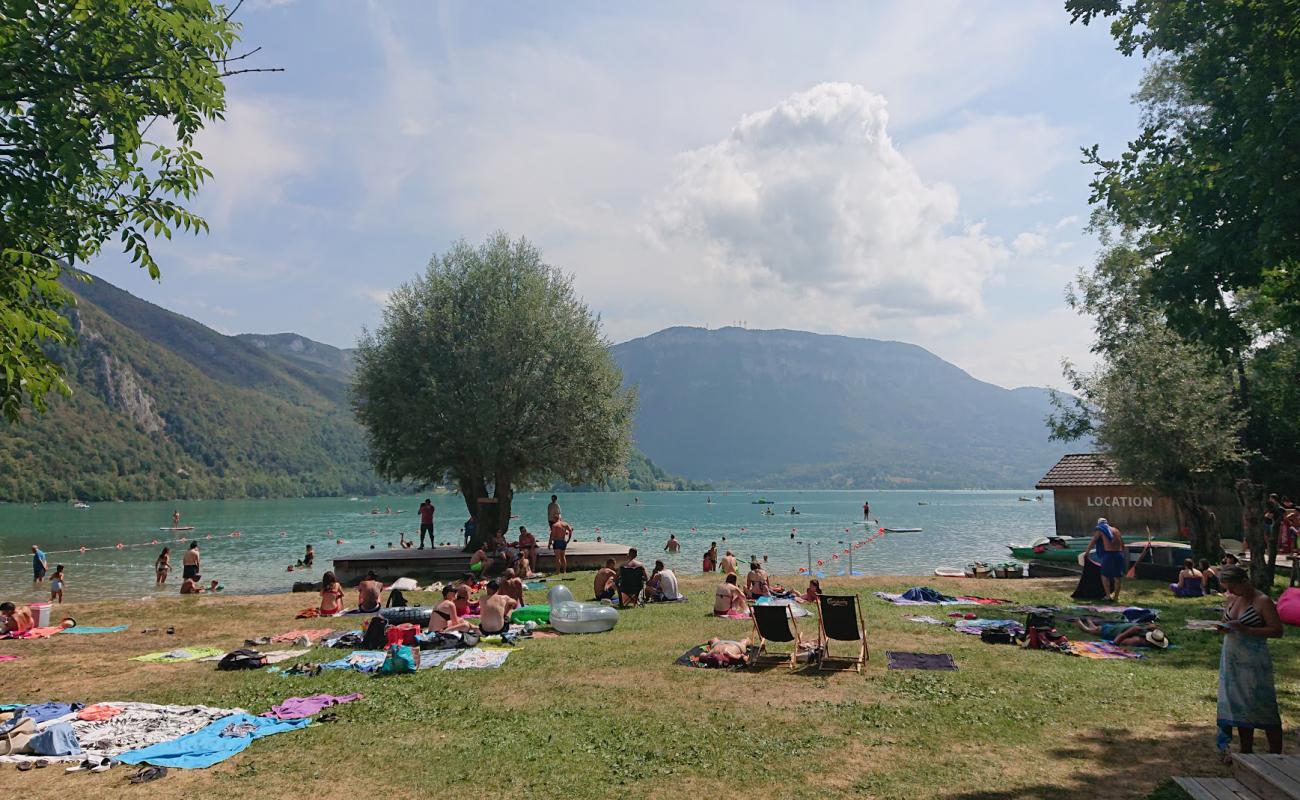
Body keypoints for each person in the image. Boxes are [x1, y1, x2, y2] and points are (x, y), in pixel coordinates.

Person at [1215, 564, 1285, 761]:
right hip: (1232, 659)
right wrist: (1224, 627)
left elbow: (1277, 630)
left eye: (1232, 587)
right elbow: (1228, 620)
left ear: (1244, 582)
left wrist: (1249, 630)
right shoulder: (1233, 599)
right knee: (1239, 706)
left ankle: (1275, 754)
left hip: (1254, 661)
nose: (1230, 591)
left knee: (1263, 704)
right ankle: (1246, 751)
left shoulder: (1262, 601)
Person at [1085, 518, 1126, 602]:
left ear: (1099, 524)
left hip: (1109, 555)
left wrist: (1087, 553)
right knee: (1117, 577)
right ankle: (1116, 597)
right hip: (1119, 554)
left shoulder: (1101, 530)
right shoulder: (1116, 530)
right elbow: (1123, 545)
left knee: (1104, 575)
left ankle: (1108, 596)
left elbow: (1093, 542)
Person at [1075, 618, 1169, 648]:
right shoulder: (1137, 639)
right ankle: (1085, 627)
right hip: (1116, 631)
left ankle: (1090, 622)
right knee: (1096, 631)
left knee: (1098, 629)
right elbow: (1118, 640)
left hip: (1122, 627)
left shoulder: (1156, 633)